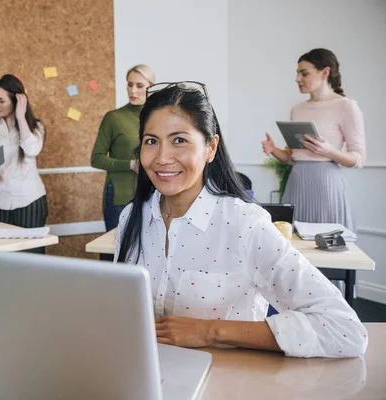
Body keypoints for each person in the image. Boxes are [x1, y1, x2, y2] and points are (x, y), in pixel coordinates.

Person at [115, 82, 367, 358]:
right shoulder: (132, 218)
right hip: (150, 377)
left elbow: (345, 330)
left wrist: (210, 331)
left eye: (179, 140)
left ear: (211, 148)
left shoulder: (244, 224)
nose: (162, 158)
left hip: (229, 382)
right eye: (152, 141)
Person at [261, 48, 366, 231]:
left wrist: (329, 152)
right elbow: (291, 156)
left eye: (304, 73)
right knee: (293, 244)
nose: (297, 79)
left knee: (328, 246)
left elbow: (359, 158)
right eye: (297, 73)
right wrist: (273, 150)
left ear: (325, 73)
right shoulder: (297, 109)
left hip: (326, 184)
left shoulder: (346, 106)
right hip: (297, 181)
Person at [0, 75, 47, 251]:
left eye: (1, 100)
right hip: (1, 202)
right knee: (4, 257)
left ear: (16, 100)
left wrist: (21, 118)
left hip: (29, 201)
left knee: (31, 257)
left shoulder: (35, 126)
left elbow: (31, 150)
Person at [91, 64, 156, 233]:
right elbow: (96, 158)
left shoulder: (157, 118)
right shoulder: (114, 118)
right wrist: (130, 164)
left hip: (153, 193)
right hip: (119, 195)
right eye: (129, 84)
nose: (133, 91)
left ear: (151, 87)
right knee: (116, 252)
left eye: (139, 86)